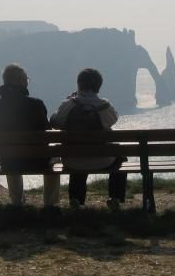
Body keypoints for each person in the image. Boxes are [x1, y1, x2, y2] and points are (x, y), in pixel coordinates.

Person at [0, 63, 60, 207]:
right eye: (26, 80)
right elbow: (46, 132)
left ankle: (17, 202)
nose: (27, 83)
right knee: (55, 158)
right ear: (20, 82)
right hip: (38, 161)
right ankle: (50, 204)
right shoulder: (36, 105)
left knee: (8, 152)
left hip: (8, 161)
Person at [50, 68, 127, 208]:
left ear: (79, 84)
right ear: (99, 87)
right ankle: (115, 197)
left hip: (73, 160)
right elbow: (113, 119)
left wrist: (69, 101)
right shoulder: (105, 107)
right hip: (104, 160)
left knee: (76, 156)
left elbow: (54, 122)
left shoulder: (68, 105)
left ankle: (76, 200)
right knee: (120, 156)